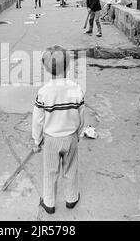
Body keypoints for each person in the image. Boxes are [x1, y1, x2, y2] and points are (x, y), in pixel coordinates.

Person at [32, 45, 85, 214]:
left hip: (51, 139)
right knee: (70, 169)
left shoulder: (44, 92)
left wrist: (37, 140)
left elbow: (38, 119)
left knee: (50, 171)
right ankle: (71, 198)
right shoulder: (75, 89)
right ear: (68, 66)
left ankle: (49, 203)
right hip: (70, 137)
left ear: (46, 69)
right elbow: (81, 115)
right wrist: (79, 133)